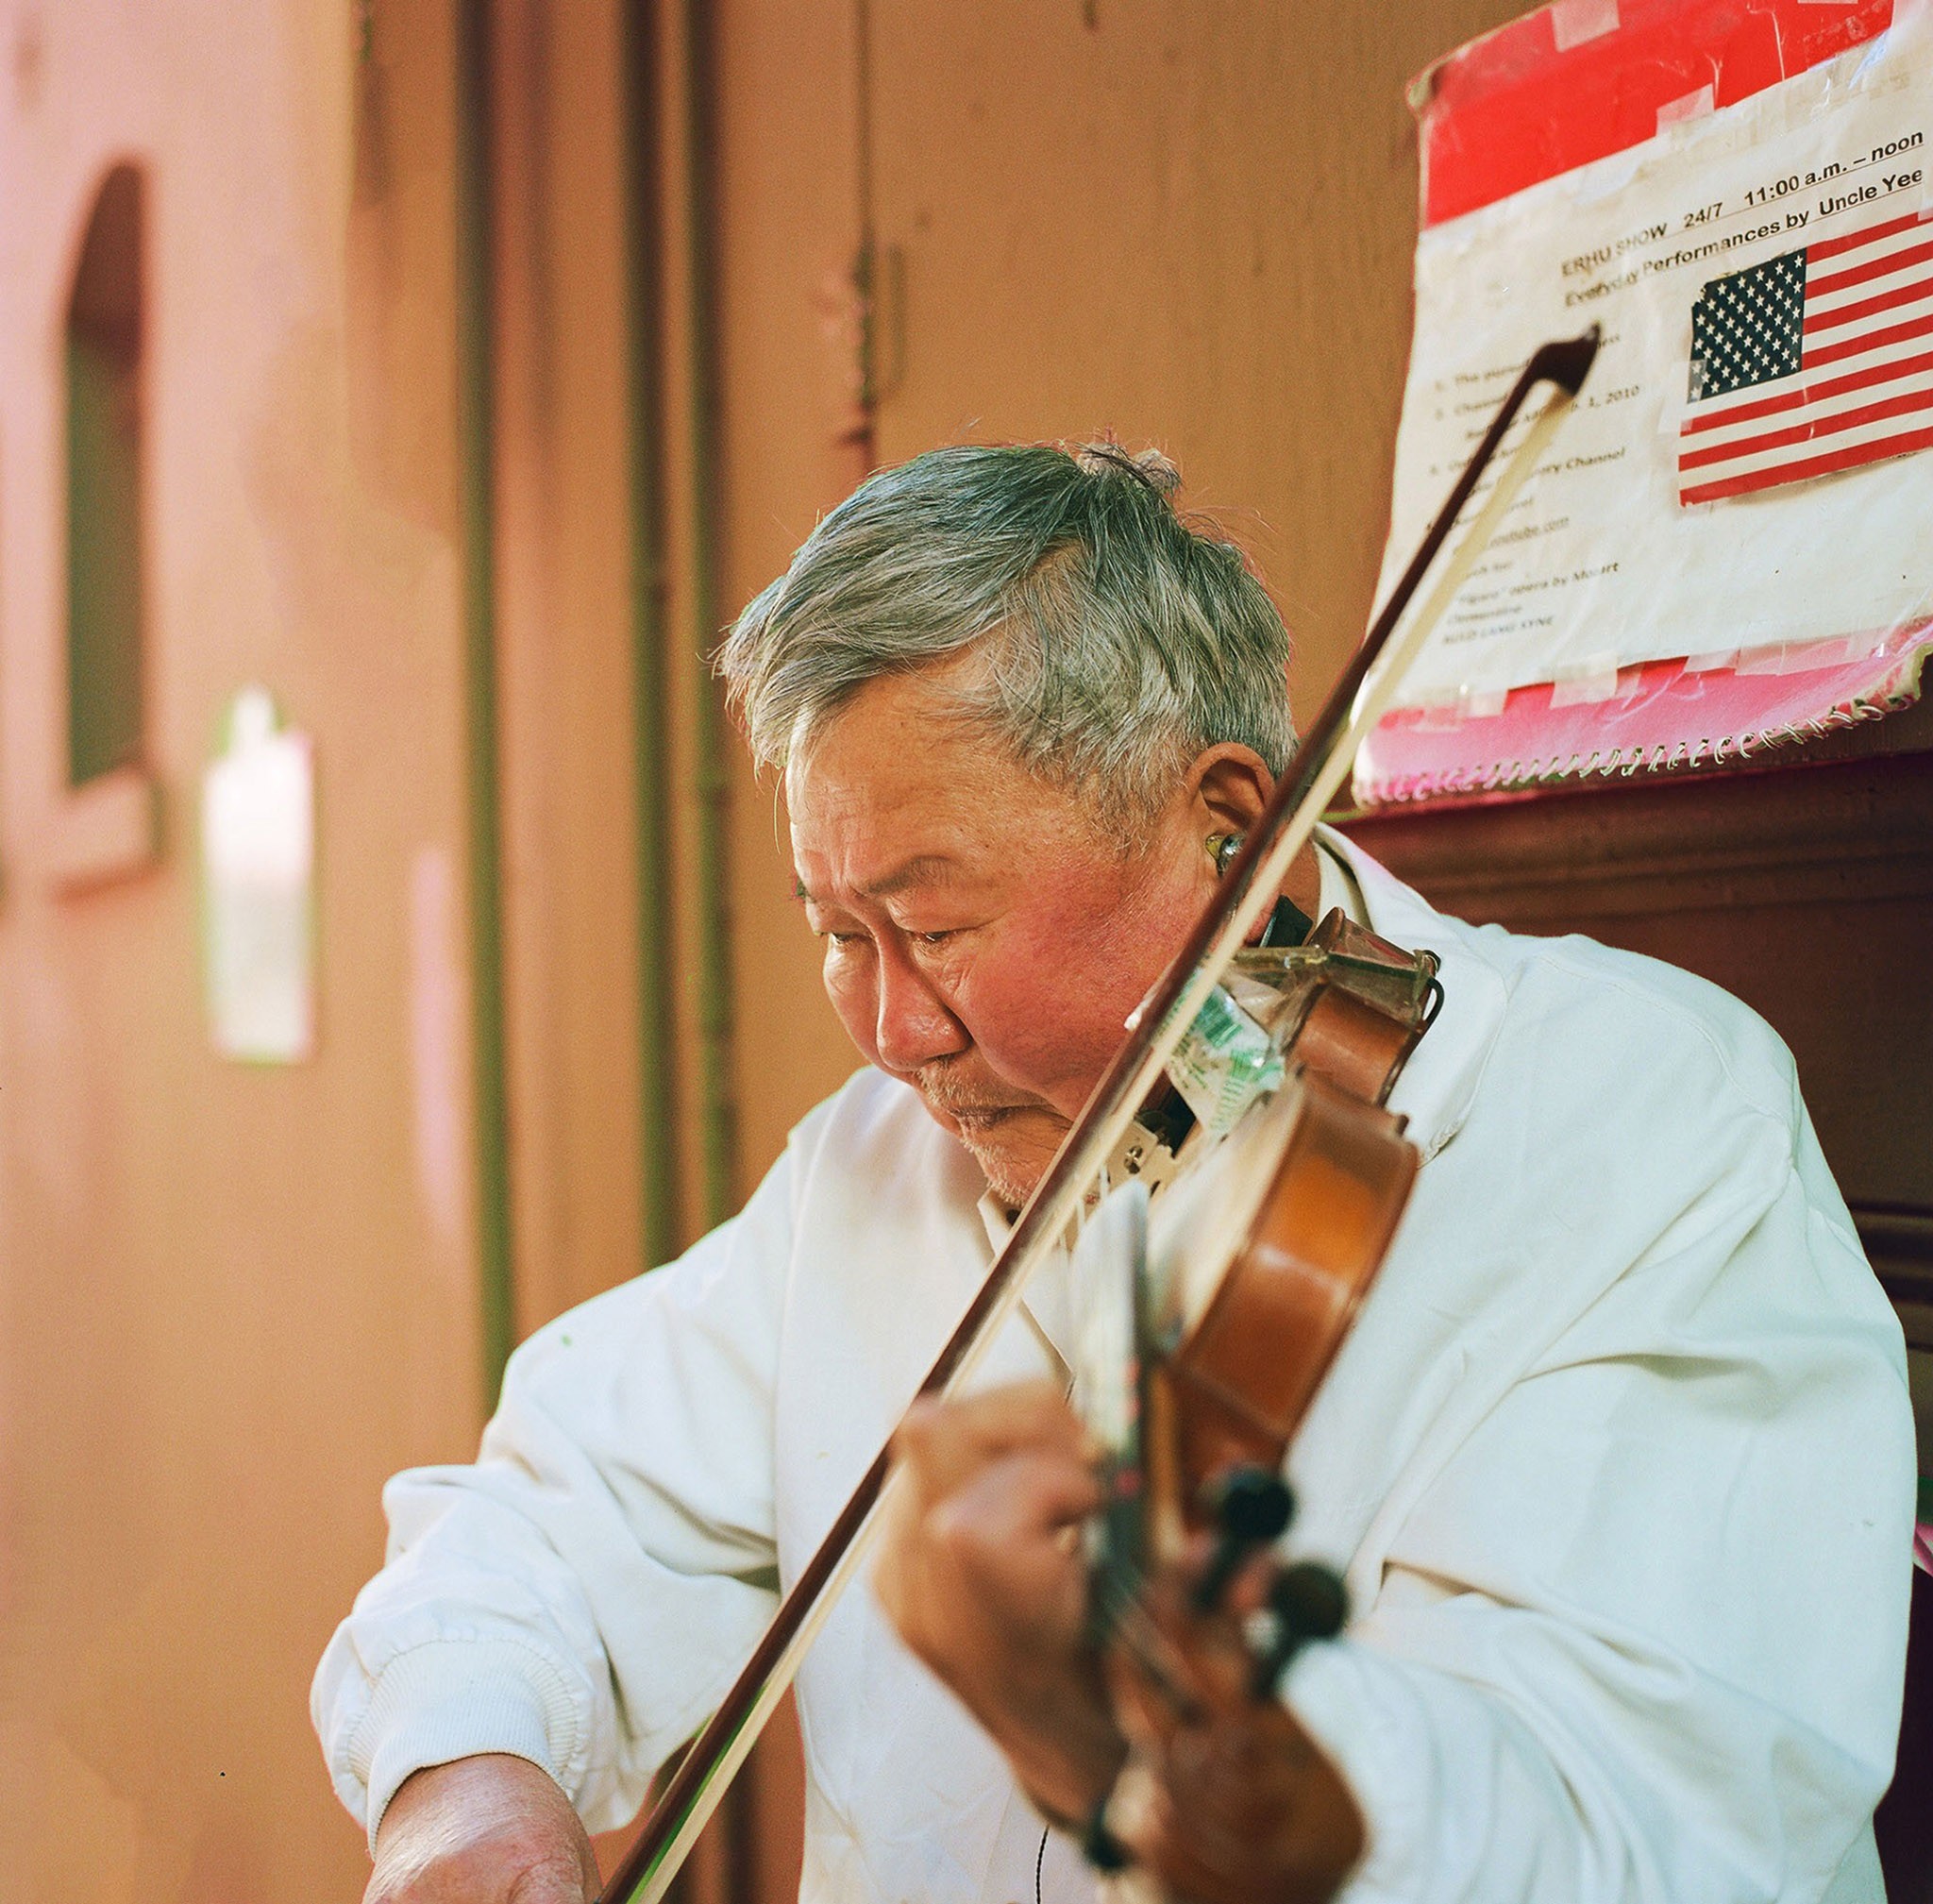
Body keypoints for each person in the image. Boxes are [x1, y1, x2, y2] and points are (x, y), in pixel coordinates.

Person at [314, 442, 1915, 1904]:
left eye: (934, 929)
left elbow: (1649, 1833)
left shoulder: (1635, 1121)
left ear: (1226, 824)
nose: (889, 1030)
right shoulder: (871, 1171)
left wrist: (1150, 1756)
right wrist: (467, 1778)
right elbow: (558, 1506)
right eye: (835, 934)